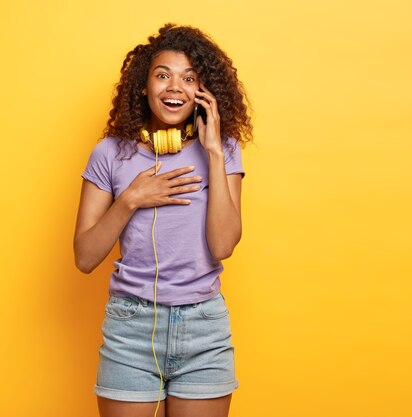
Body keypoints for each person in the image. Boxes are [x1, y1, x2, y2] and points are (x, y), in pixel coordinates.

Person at [73, 23, 253, 417]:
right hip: (130, 327)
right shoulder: (109, 154)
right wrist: (131, 200)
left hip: (203, 325)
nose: (175, 87)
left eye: (189, 78)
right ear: (143, 85)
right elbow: (85, 258)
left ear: (203, 93)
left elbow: (223, 246)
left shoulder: (223, 150)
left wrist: (215, 155)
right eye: (163, 75)